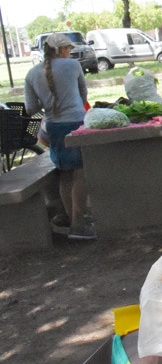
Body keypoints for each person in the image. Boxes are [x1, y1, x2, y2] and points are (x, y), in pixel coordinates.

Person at [24, 32, 95, 240]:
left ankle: (72, 220)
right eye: (68, 49)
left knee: (65, 174)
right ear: (61, 49)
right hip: (76, 123)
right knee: (80, 172)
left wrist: (48, 102)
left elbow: (30, 108)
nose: (70, 52)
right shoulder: (72, 66)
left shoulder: (31, 73)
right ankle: (79, 225)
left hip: (54, 126)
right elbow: (83, 95)